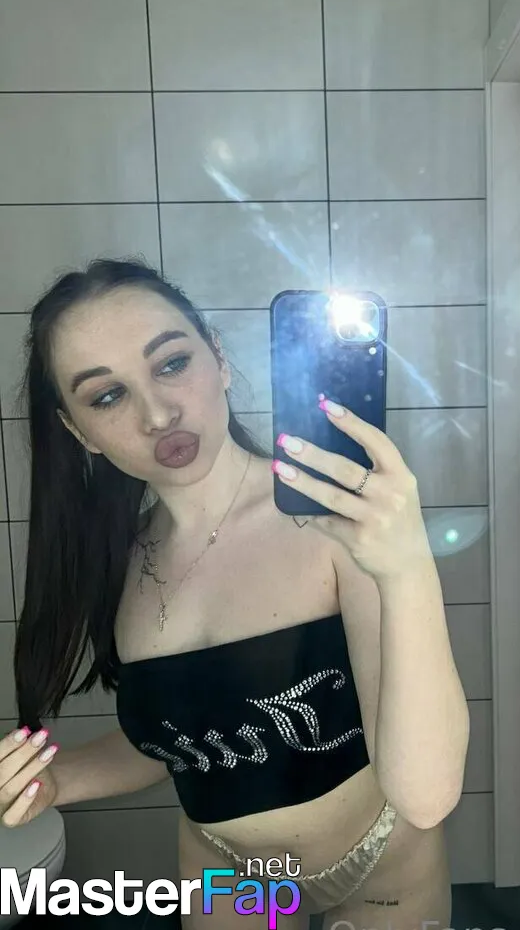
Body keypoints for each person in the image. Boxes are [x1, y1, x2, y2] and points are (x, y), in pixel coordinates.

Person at [0, 258, 470, 929]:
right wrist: (59, 780)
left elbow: (425, 795)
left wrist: (406, 568)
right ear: (79, 432)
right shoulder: (120, 564)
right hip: (226, 869)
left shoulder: (336, 523)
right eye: (107, 397)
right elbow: (186, 736)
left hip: (380, 864)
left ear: (218, 359)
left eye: (172, 364)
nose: (158, 413)